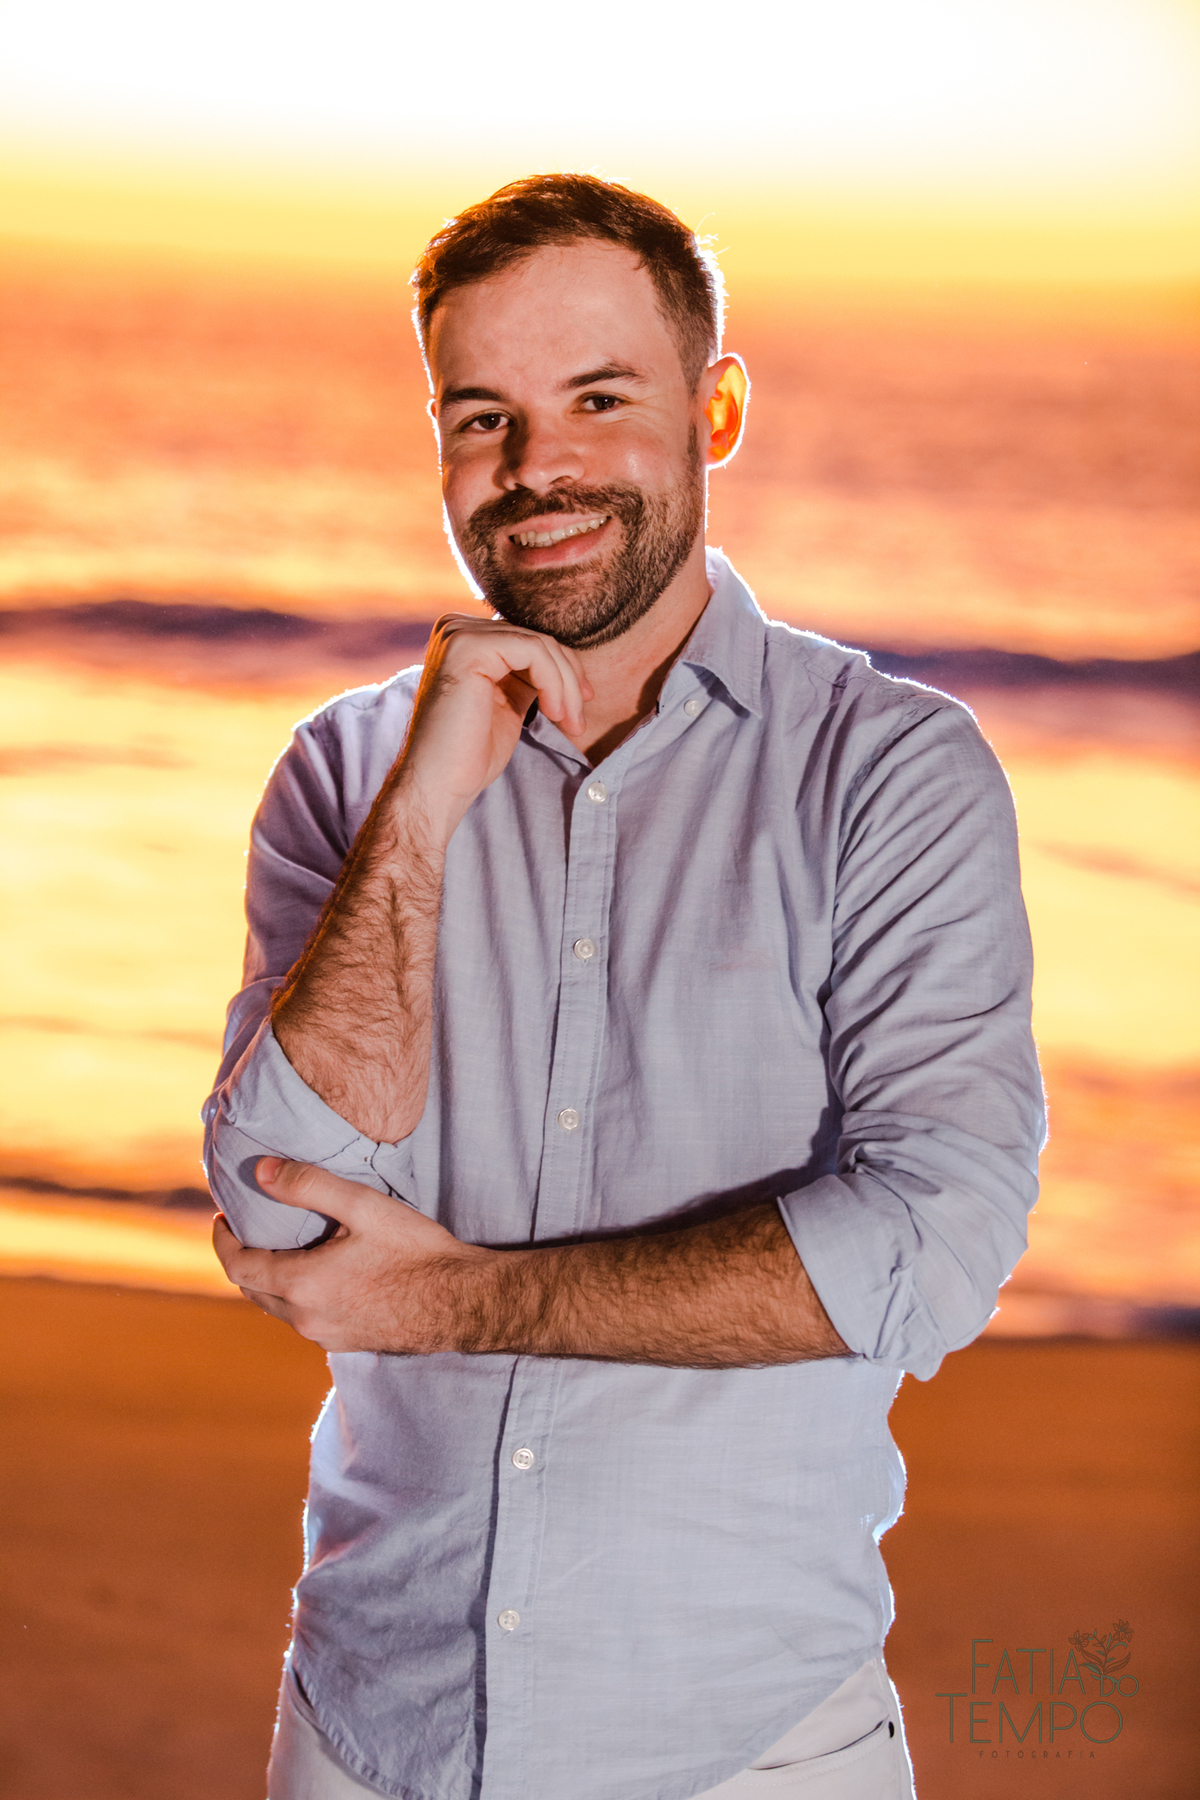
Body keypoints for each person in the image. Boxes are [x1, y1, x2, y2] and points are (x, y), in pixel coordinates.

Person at [204, 173, 1044, 1800]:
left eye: (600, 399)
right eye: (483, 418)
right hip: (374, 1737)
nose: (538, 472)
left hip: (749, 1750)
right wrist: (430, 809)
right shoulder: (353, 777)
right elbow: (284, 1221)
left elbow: (931, 1250)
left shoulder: (890, 776)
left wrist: (455, 1300)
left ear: (715, 409)